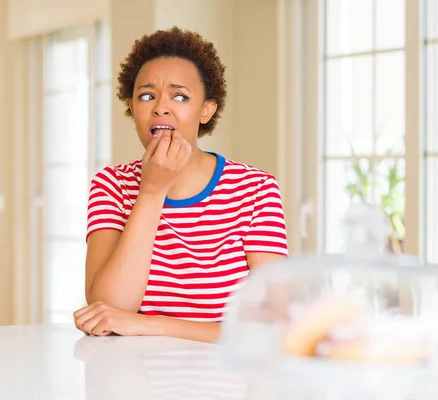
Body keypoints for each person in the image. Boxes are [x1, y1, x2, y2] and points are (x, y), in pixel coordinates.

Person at [73, 26, 288, 343]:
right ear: (132, 108)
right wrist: (152, 191)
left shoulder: (256, 189)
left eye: (180, 96)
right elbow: (108, 310)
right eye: (147, 96)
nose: (160, 106)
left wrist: (150, 324)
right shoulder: (111, 185)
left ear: (206, 110)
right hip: (131, 377)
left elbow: (276, 324)